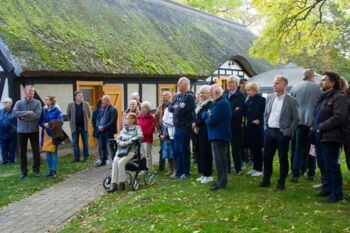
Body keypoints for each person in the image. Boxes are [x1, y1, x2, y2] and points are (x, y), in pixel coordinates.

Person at [312, 71, 348, 203]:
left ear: (332, 82)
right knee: (322, 164)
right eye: (322, 80)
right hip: (319, 136)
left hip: (331, 136)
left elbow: (339, 117)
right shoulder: (324, 97)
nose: (321, 82)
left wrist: (321, 126)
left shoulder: (339, 97)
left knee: (332, 165)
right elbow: (318, 114)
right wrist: (313, 126)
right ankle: (327, 188)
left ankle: (336, 193)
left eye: (324, 80)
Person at [260, 75, 299, 190]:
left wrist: (288, 133)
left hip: (282, 133)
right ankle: (266, 180)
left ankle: (281, 182)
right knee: (267, 158)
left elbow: (296, 119)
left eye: (277, 83)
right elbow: (266, 114)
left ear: (284, 85)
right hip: (269, 132)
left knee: (283, 158)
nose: (274, 85)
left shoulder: (291, 100)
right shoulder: (270, 97)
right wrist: (266, 127)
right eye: (274, 83)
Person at [290, 69, 321, 182]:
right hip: (312, 123)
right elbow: (320, 106)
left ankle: (296, 174)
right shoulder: (318, 88)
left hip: (299, 122)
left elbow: (292, 105)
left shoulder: (295, 87)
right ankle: (311, 173)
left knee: (298, 148)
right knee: (312, 149)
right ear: (312, 76)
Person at [203, 84, 232, 191]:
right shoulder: (216, 102)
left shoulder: (222, 103)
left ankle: (222, 182)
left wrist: (208, 116)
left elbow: (210, 120)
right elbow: (205, 114)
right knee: (218, 160)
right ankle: (220, 181)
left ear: (216, 92)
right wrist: (208, 115)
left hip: (219, 135)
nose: (210, 96)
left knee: (220, 160)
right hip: (215, 135)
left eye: (211, 93)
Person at [108, 112, 143, 192]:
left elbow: (140, 136)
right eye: (125, 118)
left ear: (133, 120)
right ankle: (114, 184)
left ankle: (121, 183)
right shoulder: (124, 129)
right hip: (121, 150)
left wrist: (130, 141)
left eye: (127, 118)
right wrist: (123, 143)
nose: (125, 120)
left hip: (131, 150)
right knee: (115, 162)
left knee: (121, 162)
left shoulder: (137, 128)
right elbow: (118, 139)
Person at [168, 77, 195, 179]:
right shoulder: (178, 96)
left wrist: (176, 108)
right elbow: (170, 108)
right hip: (177, 127)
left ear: (185, 84)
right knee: (177, 151)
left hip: (185, 127)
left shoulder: (189, 97)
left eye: (179, 83)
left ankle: (186, 172)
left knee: (184, 150)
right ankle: (178, 172)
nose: (177, 85)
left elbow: (179, 111)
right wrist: (176, 107)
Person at [13, 85, 42, 179]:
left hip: (34, 130)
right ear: (25, 92)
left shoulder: (37, 103)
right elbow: (14, 114)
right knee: (22, 152)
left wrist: (23, 118)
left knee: (36, 151)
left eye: (33, 91)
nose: (32, 93)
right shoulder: (19, 102)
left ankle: (36, 170)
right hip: (21, 131)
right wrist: (28, 113)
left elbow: (38, 115)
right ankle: (23, 171)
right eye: (30, 91)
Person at [223, 75, 245, 175]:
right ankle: (226, 167)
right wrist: (232, 110)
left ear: (236, 84)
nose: (228, 83)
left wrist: (228, 113)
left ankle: (238, 168)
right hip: (224, 126)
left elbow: (240, 111)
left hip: (235, 126)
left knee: (236, 148)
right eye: (227, 82)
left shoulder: (240, 96)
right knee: (225, 148)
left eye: (230, 82)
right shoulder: (224, 94)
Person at [244, 83, 266, 177]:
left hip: (257, 127)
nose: (248, 92)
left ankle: (259, 168)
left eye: (249, 90)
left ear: (255, 90)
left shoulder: (262, 100)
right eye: (247, 90)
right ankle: (254, 167)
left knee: (257, 148)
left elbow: (266, 113)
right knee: (252, 148)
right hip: (249, 127)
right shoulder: (248, 99)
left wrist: (260, 120)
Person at [40, 96, 64, 178]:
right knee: (47, 154)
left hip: (54, 134)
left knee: (53, 153)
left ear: (51, 101)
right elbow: (40, 121)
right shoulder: (44, 110)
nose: (45, 100)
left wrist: (49, 124)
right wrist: (43, 124)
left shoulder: (57, 110)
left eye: (47, 99)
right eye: (45, 99)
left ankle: (54, 171)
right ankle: (50, 170)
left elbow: (60, 121)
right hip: (46, 134)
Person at [193, 85, 213, 183]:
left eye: (203, 92)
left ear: (209, 93)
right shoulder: (201, 103)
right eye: (200, 92)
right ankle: (203, 174)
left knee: (206, 152)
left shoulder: (209, 103)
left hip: (205, 131)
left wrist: (196, 123)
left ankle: (208, 175)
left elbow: (204, 117)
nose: (201, 94)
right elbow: (196, 115)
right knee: (200, 152)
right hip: (199, 130)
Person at [67, 91, 91, 162]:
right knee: (75, 144)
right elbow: (68, 115)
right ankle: (76, 158)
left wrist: (86, 121)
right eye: (79, 95)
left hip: (84, 127)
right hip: (75, 127)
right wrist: (72, 122)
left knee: (85, 143)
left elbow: (89, 114)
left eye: (81, 95)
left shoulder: (86, 104)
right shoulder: (70, 105)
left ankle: (86, 157)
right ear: (75, 97)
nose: (81, 96)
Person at [96, 95, 118, 166]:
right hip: (101, 131)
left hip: (109, 131)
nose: (102, 102)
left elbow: (112, 121)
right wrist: (98, 126)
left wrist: (104, 127)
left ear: (108, 101)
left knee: (111, 148)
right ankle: (103, 161)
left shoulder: (113, 109)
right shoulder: (102, 108)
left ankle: (114, 163)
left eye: (103, 101)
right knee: (102, 147)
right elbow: (98, 118)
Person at [155, 91, 172, 172]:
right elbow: (156, 116)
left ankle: (171, 168)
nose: (163, 97)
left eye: (165, 96)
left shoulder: (171, 105)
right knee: (162, 149)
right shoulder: (160, 106)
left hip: (169, 129)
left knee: (169, 149)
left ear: (169, 97)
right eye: (162, 96)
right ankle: (161, 167)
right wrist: (158, 127)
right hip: (161, 129)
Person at [138, 101, 156, 172]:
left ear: (148, 109)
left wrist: (142, 134)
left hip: (147, 139)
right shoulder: (139, 117)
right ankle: (143, 169)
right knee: (142, 155)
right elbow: (137, 127)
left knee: (147, 155)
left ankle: (149, 170)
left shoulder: (151, 118)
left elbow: (150, 130)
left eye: (144, 108)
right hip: (140, 139)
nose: (142, 109)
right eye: (141, 108)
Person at [0, 98, 17, 164]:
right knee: (3, 147)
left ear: (10, 103)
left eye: (6, 102)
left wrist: (14, 128)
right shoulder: (1, 111)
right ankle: (4, 160)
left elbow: (17, 122)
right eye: (3, 102)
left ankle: (11, 160)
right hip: (2, 132)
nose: (4, 103)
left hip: (11, 132)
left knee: (11, 147)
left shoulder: (14, 111)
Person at [161, 106, 176, 177]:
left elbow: (171, 127)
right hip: (165, 140)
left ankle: (175, 171)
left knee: (172, 156)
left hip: (170, 138)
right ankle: (170, 170)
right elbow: (163, 128)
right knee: (168, 156)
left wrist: (165, 136)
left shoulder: (171, 117)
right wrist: (160, 134)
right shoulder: (164, 119)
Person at [92, 98, 102, 164]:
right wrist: (97, 128)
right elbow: (93, 121)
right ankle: (100, 158)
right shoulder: (96, 111)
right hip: (98, 131)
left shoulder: (106, 110)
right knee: (100, 145)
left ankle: (105, 158)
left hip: (105, 131)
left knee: (105, 146)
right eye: (102, 103)